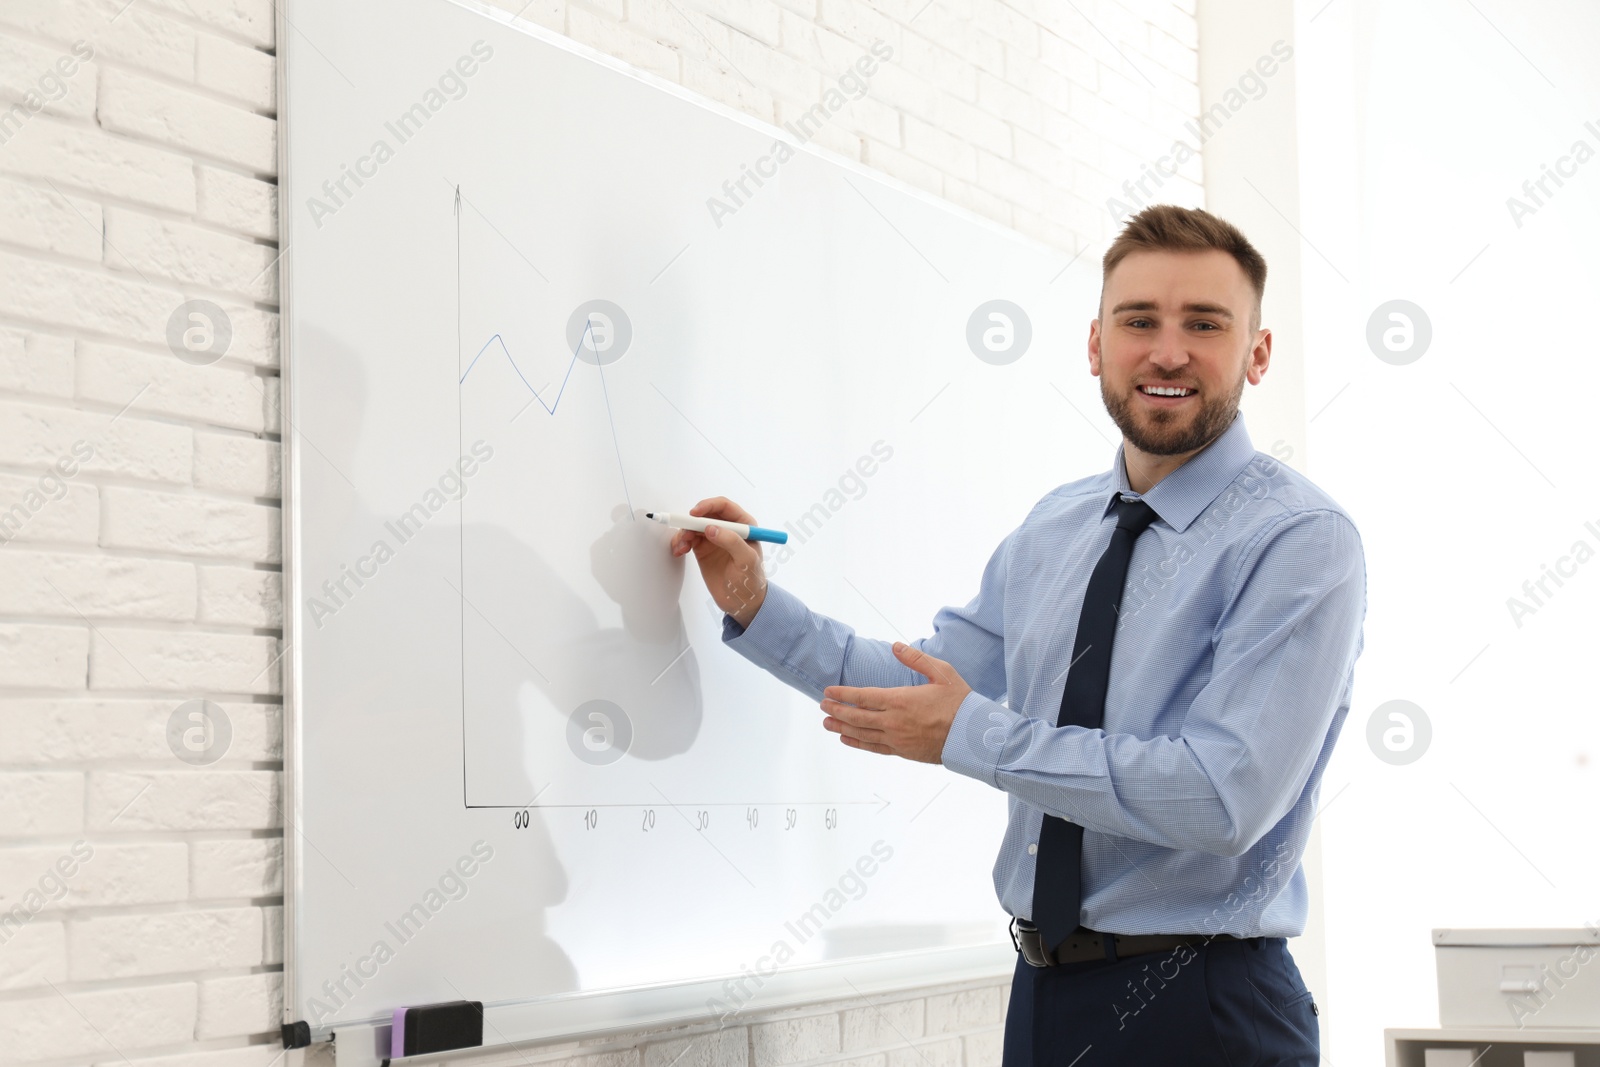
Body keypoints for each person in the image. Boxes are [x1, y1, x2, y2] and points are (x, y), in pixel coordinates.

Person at [667, 204, 1366, 1066]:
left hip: (1204, 1010)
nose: (1168, 351)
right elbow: (920, 687)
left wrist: (977, 736)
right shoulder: (1056, 529)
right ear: (1095, 345)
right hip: (1042, 997)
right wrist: (754, 601)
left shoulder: (1299, 539)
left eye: (1206, 324)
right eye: (1138, 320)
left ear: (1257, 354)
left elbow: (1222, 796)